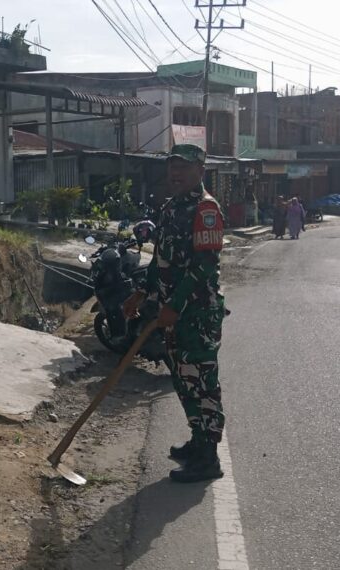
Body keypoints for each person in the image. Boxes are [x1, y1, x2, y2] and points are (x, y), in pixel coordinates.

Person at [122, 143, 227, 483]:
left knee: (202, 383)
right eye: (172, 166)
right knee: (183, 380)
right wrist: (142, 292)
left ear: (201, 170)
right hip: (172, 314)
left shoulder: (205, 209)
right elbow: (160, 260)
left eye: (184, 166)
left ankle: (209, 457)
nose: (175, 173)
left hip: (197, 314)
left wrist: (174, 306)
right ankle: (198, 441)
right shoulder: (170, 208)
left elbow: (205, 266)